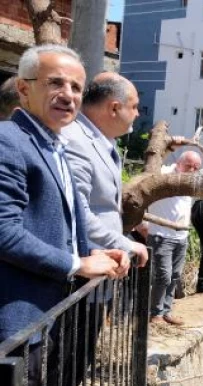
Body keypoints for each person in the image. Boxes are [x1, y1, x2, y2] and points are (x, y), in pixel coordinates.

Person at [0, 44, 128, 386]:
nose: (68, 94)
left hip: (46, 318)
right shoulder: (9, 141)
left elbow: (69, 224)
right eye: (55, 82)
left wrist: (97, 253)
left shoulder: (51, 145)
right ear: (24, 89)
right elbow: (4, 232)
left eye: (76, 86)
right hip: (17, 322)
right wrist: (77, 264)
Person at [62, 72, 149, 266]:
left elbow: (103, 202)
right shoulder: (76, 141)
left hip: (104, 262)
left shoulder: (104, 141)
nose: (137, 114)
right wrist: (123, 243)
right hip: (86, 263)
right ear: (114, 108)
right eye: (134, 106)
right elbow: (77, 210)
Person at [146, 151, 202, 326]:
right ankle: (155, 313)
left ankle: (167, 311)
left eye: (195, 167)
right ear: (179, 162)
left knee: (175, 275)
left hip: (181, 237)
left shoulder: (190, 183)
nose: (191, 170)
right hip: (161, 235)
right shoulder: (163, 175)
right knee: (163, 275)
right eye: (189, 165)